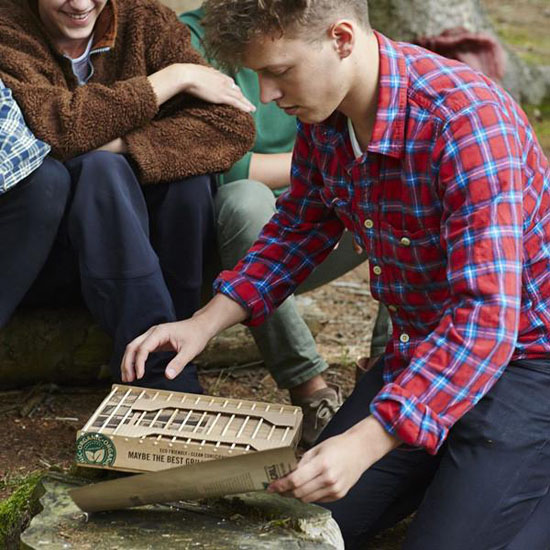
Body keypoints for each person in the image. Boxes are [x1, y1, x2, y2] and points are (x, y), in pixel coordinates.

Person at [122, 0, 550, 548]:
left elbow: (487, 321)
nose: (269, 95)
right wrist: (202, 324)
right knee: (303, 530)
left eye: (278, 71)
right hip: (420, 357)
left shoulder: (465, 121)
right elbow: (297, 229)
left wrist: (367, 440)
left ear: (342, 39)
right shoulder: (328, 119)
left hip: (524, 368)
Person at [0, 0, 254, 393]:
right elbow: (55, 127)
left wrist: (116, 146)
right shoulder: (8, 28)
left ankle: (174, 341)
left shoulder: (145, 21)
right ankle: (160, 374)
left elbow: (230, 126)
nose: (81, 4)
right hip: (48, 256)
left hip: (146, 254)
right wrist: (171, 79)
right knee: (99, 172)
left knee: (181, 177)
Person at [181, 6, 376, 447]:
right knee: (246, 200)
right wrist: (335, 167)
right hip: (237, 240)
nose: (267, 95)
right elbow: (222, 171)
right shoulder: (192, 41)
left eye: (280, 72)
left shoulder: (318, 35)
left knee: (390, 186)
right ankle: (314, 392)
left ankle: (384, 380)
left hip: (316, 216)